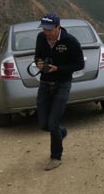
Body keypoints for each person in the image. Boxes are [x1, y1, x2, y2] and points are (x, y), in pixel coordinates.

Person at [34, 12, 84, 170]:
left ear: (58, 27)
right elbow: (37, 56)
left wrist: (59, 68)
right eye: (44, 29)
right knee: (44, 124)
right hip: (44, 83)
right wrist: (39, 64)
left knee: (53, 123)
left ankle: (56, 157)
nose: (46, 32)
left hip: (62, 84)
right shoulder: (40, 38)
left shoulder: (71, 42)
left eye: (49, 29)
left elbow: (79, 65)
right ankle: (61, 132)